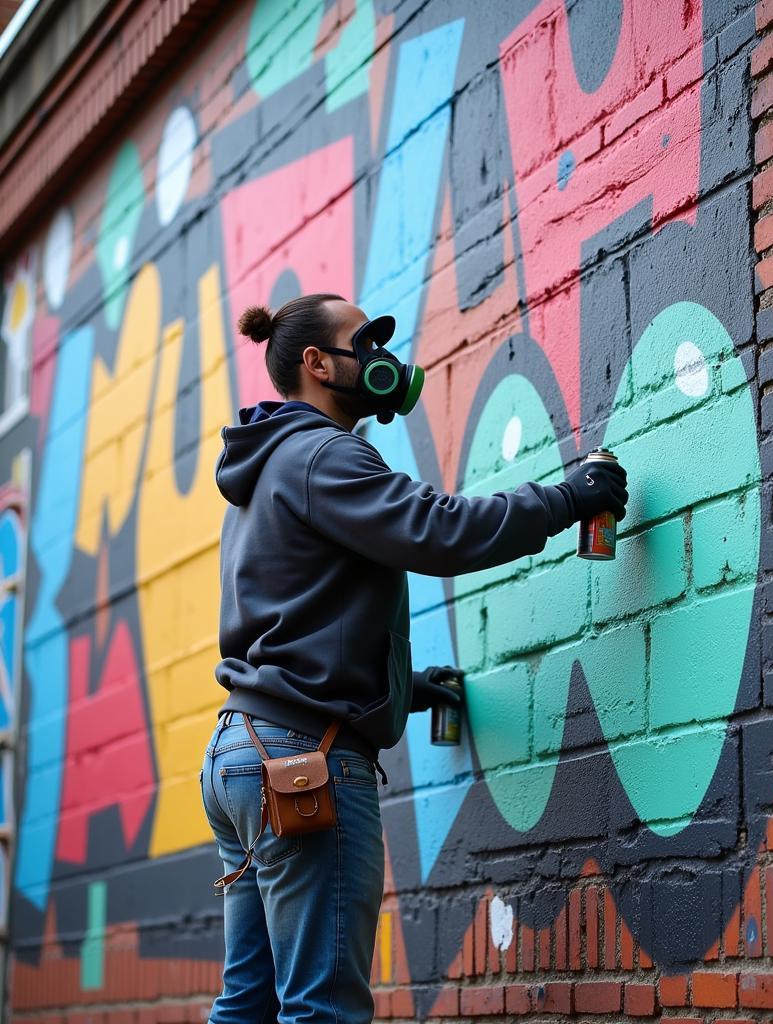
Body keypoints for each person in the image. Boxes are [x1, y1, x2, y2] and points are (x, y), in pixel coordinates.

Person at [200, 293, 628, 1023]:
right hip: (302, 762)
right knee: (322, 1009)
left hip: (241, 756)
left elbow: (298, 619)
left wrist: (405, 690)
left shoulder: (265, 469)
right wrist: (563, 499)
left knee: (249, 1004)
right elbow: (436, 531)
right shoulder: (323, 454)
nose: (381, 360)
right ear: (316, 363)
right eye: (363, 342)